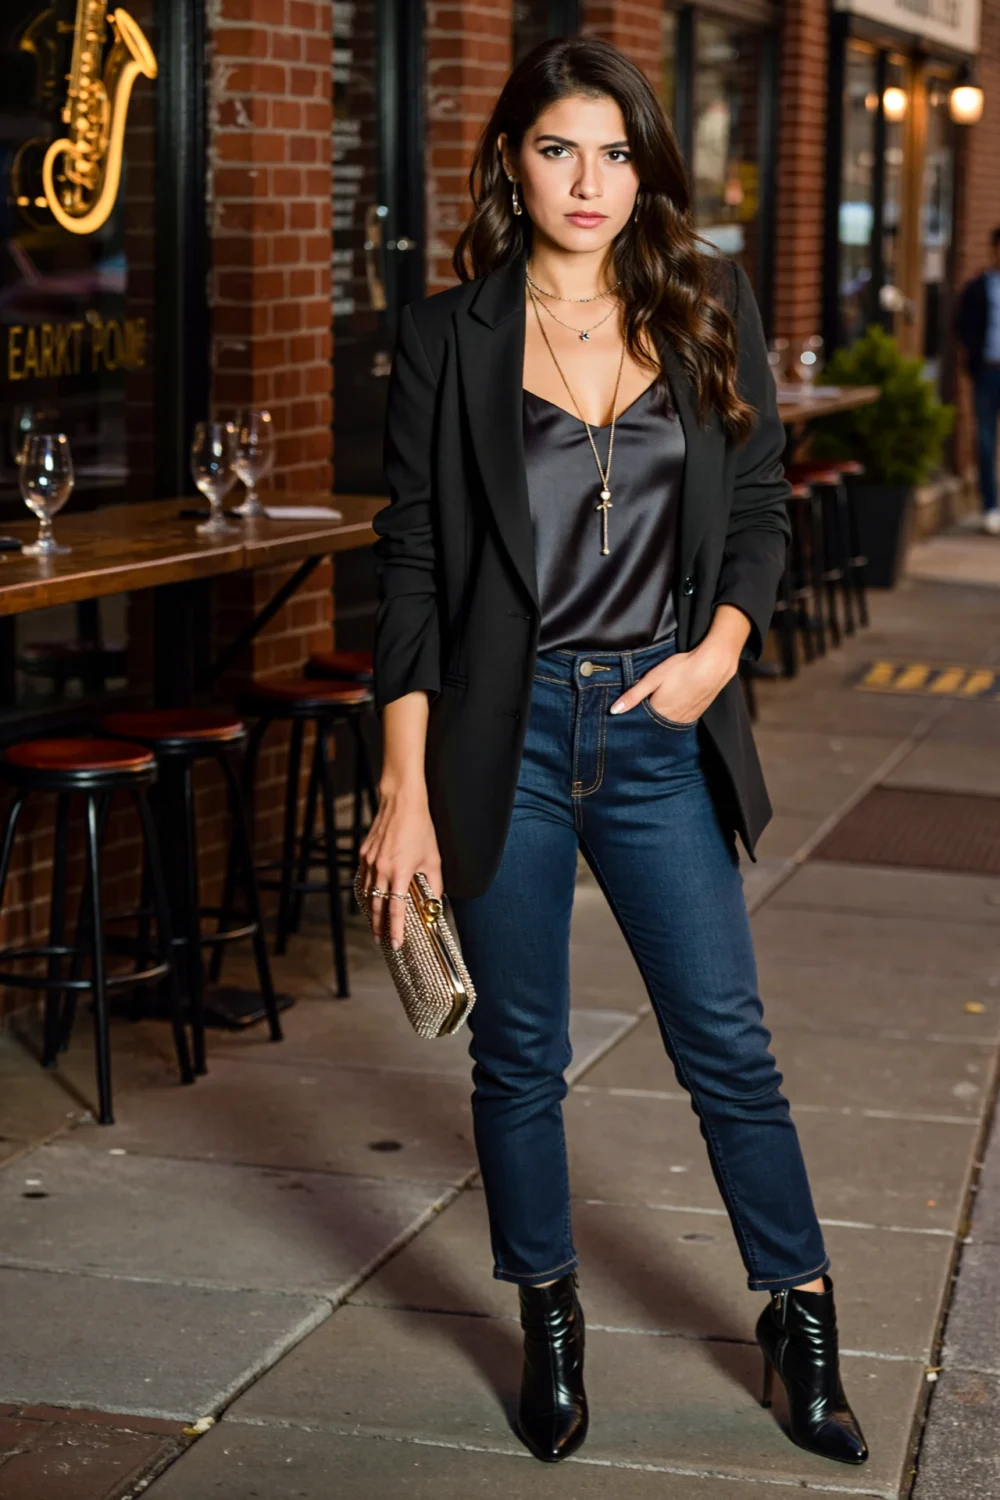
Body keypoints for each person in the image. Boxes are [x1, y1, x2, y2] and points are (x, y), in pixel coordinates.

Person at [359, 36, 869, 1473]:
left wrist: (713, 658)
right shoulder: (448, 336)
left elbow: (758, 502)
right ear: (511, 163)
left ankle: (804, 1314)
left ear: (647, 167)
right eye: (559, 149)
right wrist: (402, 794)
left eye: (618, 152)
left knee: (727, 1045)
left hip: (657, 727)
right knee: (518, 1059)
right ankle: (551, 1322)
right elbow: (409, 573)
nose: (591, 182)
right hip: (501, 740)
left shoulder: (706, 304)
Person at [956, 227, 1000, 535]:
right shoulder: (977, 287)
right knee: (985, 441)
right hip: (987, 371)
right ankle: (990, 506)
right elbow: (962, 325)